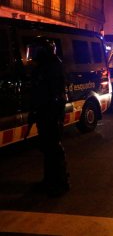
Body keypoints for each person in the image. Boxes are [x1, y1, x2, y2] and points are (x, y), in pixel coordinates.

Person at [26, 36, 69, 197]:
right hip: (45, 112)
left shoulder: (52, 67)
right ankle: (50, 180)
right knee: (48, 148)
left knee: (53, 148)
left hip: (51, 113)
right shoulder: (44, 66)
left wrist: (49, 111)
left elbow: (52, 93)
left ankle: (59, 181)